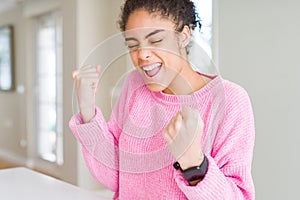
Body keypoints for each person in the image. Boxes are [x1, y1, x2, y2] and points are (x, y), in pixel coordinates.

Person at [69, 0, 255, 199]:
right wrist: (87, 111)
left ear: (183, 36)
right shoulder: (135, 84)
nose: (142, 55)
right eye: (133, 45)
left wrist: (193, 163)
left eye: (155, 40)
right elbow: (115, 178)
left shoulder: (229, 101)